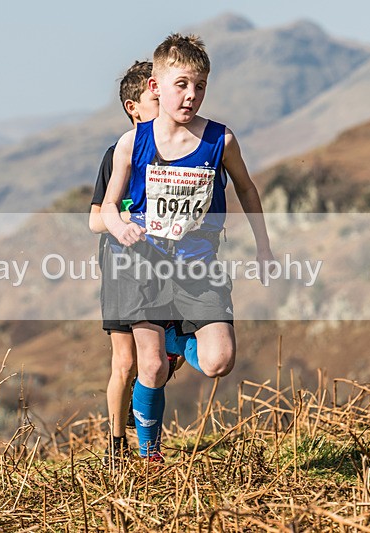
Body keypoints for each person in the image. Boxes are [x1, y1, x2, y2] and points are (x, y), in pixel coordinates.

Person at [101, 34, 275, 462]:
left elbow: (248, 190)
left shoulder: (221, 140)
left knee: (219, 360)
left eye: (200, 86)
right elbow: (107, 206)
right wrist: (120, 226)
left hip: (199, 266)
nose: (191, 95)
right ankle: (150, 455)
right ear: (156, 86)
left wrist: (264, 249)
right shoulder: (132, 144)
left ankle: (180, 343)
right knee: (152, 367)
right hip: (141, 268)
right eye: (181, 84)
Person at [89, 60, 191, 462]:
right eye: (155, 97)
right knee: (127, 360)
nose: (164, 102)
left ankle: (143, 414)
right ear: (135, 107)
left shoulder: (179, 150)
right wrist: (125, 220)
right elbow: (96, 219)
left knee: (165, 358)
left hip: (167, 267)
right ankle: (116, 448)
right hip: (121, 267)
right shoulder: (118, 152)